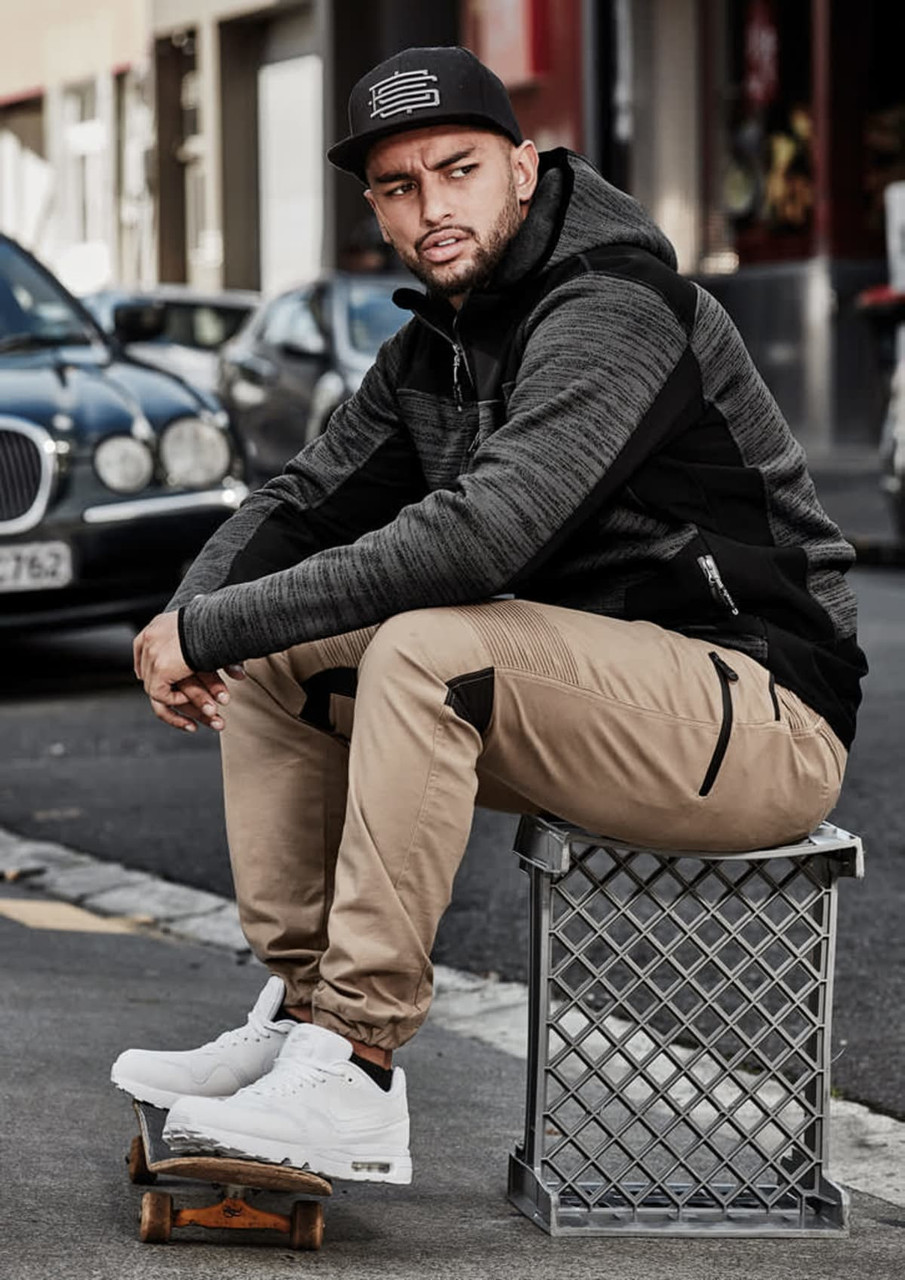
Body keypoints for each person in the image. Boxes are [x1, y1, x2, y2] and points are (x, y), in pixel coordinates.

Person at [111, 46, 866, 1186]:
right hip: (592, 696)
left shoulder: (616, 308)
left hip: (758, 714)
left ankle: (354, 1065)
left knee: (428, 641)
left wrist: (206, 627)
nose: (430, 209)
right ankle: (305, 1014)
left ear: (521, 166)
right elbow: (302, 498)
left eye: (456, 171)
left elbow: (478, 538)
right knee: (274, 656)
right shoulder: (436, 346)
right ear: (373, 204)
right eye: (398, 187)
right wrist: (193, 614)